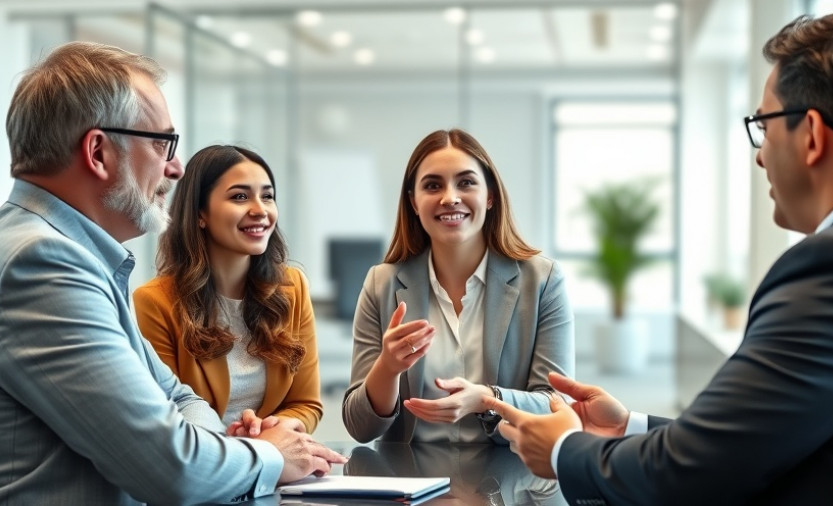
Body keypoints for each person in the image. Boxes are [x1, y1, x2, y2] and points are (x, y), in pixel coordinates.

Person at [485, 7, 833, 506]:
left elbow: (690, 478)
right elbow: (754, 445)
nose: (760, 155)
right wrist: (631, 427)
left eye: (764, 127)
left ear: (811, 134)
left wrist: (562, 450)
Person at [0, 42, 344, 505]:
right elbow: (172, 467)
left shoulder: (77, 258)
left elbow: (181, 401)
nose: (175, 168)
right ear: (98, 152)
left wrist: (216, 448)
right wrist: (269, 454)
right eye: (162, 144)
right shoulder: (44, 264)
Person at [342, 128, 575, 444]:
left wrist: (487, 399)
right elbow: (360, 428)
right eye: (432, 185)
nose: (450, 198)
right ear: (413, 202)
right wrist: (388, 367)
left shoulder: (543, 281)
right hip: (410, 472)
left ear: (490, 196)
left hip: (511, 470)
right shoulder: (381, 284)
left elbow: (558, 408)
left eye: (466, 183)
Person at [133, 145, 323, 435]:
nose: (260, 210)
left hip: (275, 455)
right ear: (200, 213)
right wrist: (243, 444)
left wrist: (270, 429)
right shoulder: (155, 302)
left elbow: (305, 404)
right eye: (240, 197)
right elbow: (168, 416)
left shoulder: (292, 287)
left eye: (267, 196)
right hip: (204, 456)